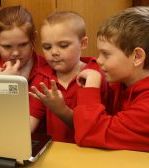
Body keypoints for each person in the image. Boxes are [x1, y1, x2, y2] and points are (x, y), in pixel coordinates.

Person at [74, 6, 149, 157]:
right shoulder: (124, 80)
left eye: (106, 54)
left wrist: (90, 88)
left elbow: (89, 134)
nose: (99, 60)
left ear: (137, 57)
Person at [29, 11, 108, 143]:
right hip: (56, 152)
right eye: (47, 47)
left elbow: (90, 129)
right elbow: (30, 123)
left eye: (63, 45)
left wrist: (61, 110)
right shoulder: (42, 77)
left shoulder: (96, 75)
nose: (54, 52)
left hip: (92, 152)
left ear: (83, 43)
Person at [0, 6, 46, 85]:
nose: (16, 53)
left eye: (23, 45)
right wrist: (2, 83)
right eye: (7, 46)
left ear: (34, 38)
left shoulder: (50, 67)